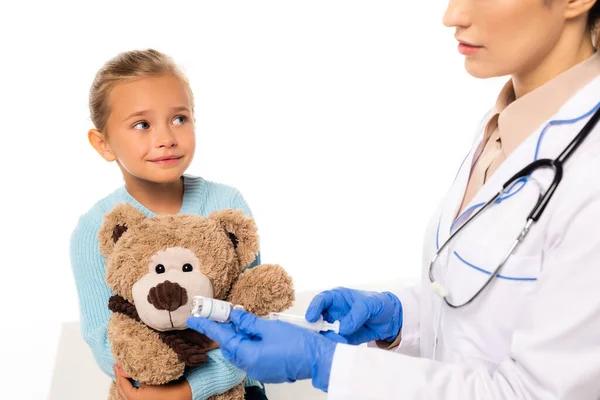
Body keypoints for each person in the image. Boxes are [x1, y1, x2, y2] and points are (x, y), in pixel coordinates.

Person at [186, 0, 600, 398]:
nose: (451, 15)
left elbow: (540, 392)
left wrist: (327, 364)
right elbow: (484, 302)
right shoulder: (510, 122)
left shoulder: (590, 174)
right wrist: (402, 317)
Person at [70, 49, 268, 400]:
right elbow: (105, 337)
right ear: (103, 144)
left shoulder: (226, 205)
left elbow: (253, 318)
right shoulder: (96, 228)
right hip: (149, 390)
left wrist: (192, 388)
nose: (166, 138)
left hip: (237, 388)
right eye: (142, 125)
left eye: (179, 119)